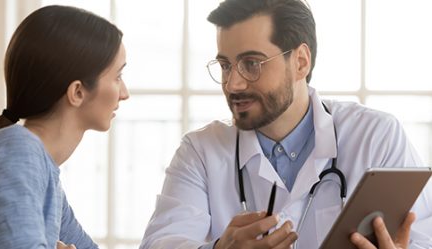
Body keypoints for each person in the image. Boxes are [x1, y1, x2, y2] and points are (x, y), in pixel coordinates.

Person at [139, 0, 432, 248]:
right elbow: (163, 241)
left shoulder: (376, 136)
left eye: (251, 64)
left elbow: (422, 235)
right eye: (226, 65)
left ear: (301, 62)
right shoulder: (200, 152)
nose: (233, 83)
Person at [0, 5, 128, 249]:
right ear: (77, 92)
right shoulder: (16, 151)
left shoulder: (43, 172)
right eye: (117, 77)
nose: (124, 93)